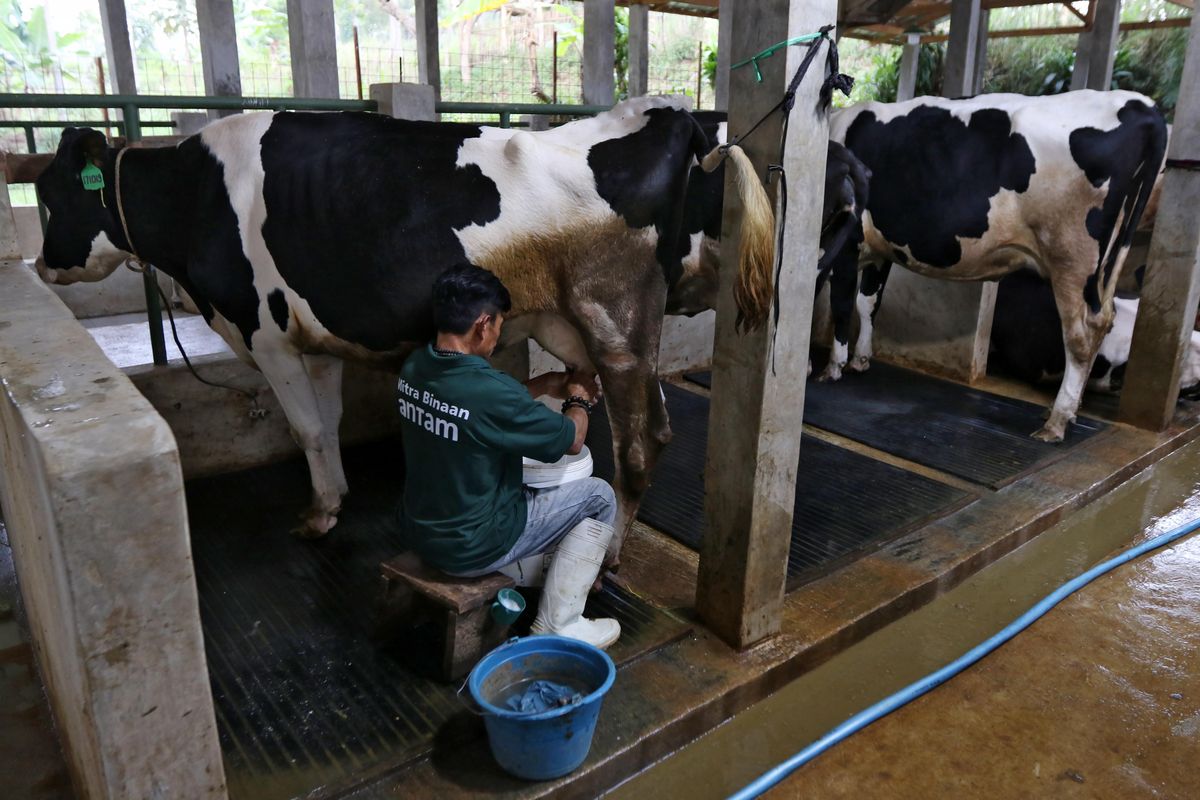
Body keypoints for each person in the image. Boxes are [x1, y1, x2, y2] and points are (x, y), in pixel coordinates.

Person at [397, 263, 620, 649]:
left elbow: (478, 407)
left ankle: (543, 571)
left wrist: (542, 385)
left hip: (421, 531)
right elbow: (571, 438)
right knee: (599, 495)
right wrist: (578, 398)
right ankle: (560, 623)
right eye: (499, 326)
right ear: (483, 324)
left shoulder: (415, 368)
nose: (498, 335)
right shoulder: (489, 391)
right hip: (473, 546)